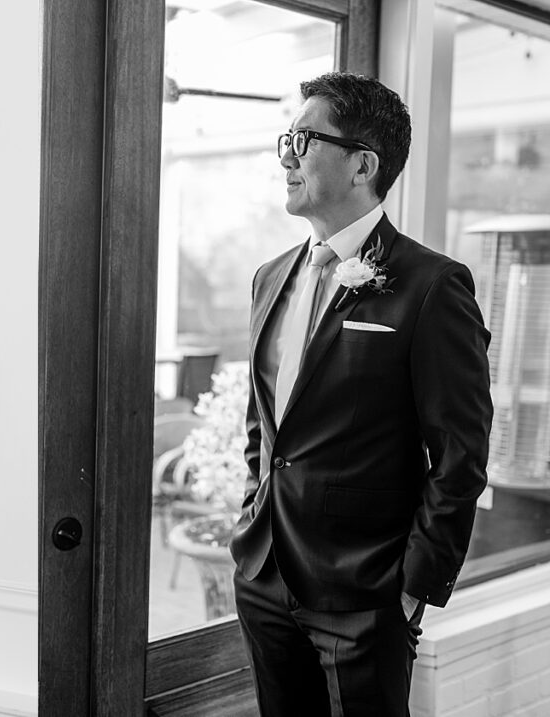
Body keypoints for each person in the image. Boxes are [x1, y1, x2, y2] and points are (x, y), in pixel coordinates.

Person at [230, 72, 493, 716]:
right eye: (284, 137)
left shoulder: (433, 286)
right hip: (264, 576)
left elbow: (460, 453)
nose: (285, 155)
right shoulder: (269, 277)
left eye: (303, 137)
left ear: (362, 165)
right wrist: (249, 525)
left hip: (366, 593)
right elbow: (264, 424)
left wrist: (414, 587)